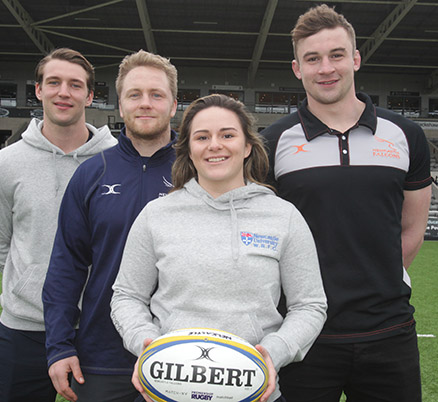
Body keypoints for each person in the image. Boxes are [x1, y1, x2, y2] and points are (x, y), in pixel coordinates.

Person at [261, 5, 432, 402]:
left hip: (389, 332)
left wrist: (377, 282)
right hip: (302, 334)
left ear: (355, 59)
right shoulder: (272, 142)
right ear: (297, 69)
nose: (326, 68)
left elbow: (412, 228)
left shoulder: (406, 135)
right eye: (313, 59)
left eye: (336, 55)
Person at [110, 94, 328, 402]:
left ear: (247, 146)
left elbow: (310, 305)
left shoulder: (284, 216)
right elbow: (127, 296)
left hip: (253, 391)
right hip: (168, 389)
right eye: (202, 137)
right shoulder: (156, 215)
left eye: (227, 135)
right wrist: (146, 344)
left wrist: (273, 352)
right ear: (188, 150)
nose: (215, 145)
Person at [0, 48, 118, 402]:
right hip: (26, 327)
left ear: (90, 95)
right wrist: (36, 281)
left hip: (99, 328)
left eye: (75, 85)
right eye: (54, 82)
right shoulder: (6, 163)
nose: (63, 92)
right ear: (39, 90)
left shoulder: (118, 160)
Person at [42, 50, 179, 402]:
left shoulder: (198, 171)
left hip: (180, 355)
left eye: (156, 94)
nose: (145, 103)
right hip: (102, 357)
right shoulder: (91, 174)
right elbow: (66, 265)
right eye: (134, 94)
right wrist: (59, 345)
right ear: (120, 105)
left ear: (174, 105)